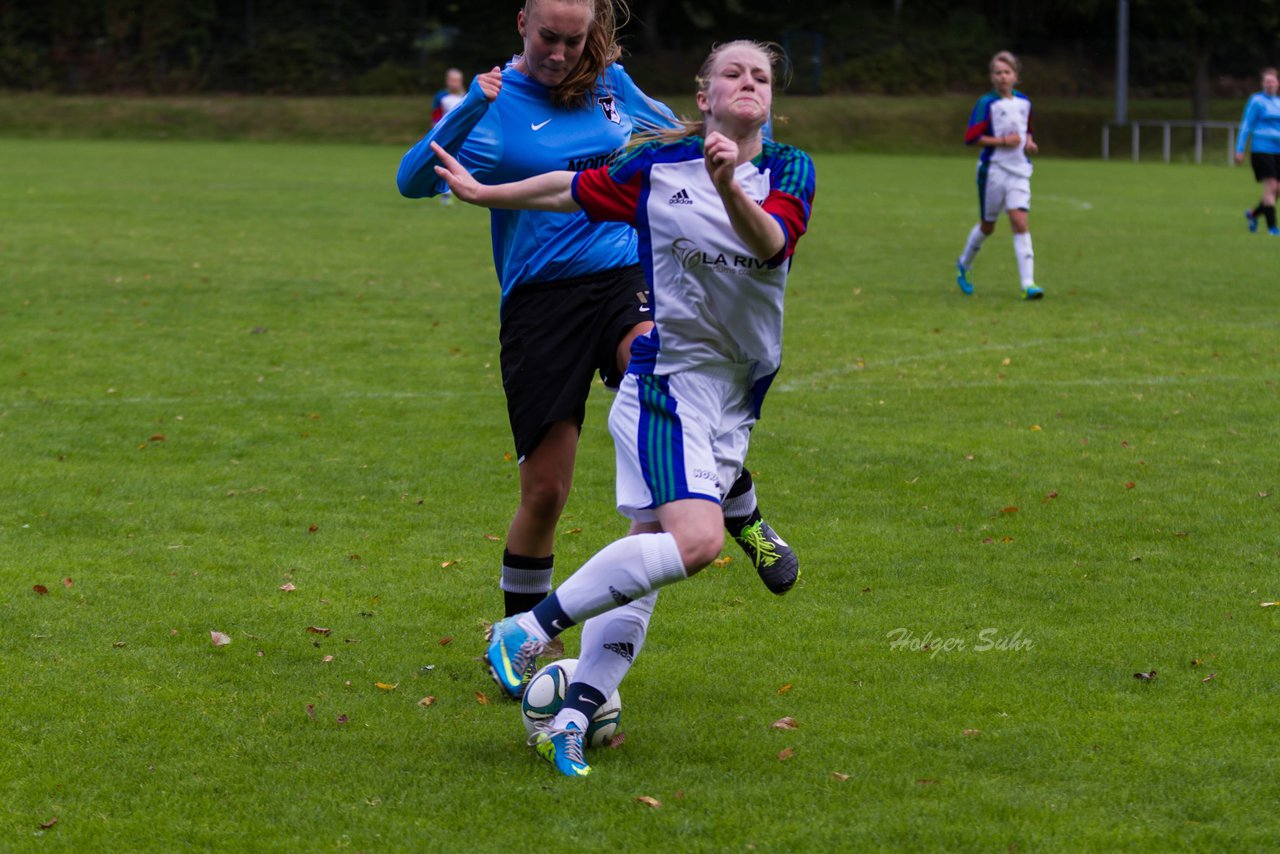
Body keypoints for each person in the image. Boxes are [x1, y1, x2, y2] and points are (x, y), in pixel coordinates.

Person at [396, 0, 799, 745]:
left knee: (666, 379)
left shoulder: (610, 84)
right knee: (547, 490)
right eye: (548, 37)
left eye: (573, 38)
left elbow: (698, 128)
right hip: (540, 300)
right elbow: (412, 179)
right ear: (520, 22)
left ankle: (735, 514)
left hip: (623, 280)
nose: (559, 51)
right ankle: (530, 635)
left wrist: (742, 155)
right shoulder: (491, 104)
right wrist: (463, 115)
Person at [955, 51, 1042, 300]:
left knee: (1019, 222)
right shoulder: (986, 103)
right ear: (992, 78)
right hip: (992, 171)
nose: (1002, 77)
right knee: (988, 226)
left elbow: (1027, 131)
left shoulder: (1025, 102)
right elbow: (971, 138)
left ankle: (1028, 283)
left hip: (1019, 172)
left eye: (1007, 72)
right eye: (997, 73)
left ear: (1016, 76)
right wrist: (1003, 141)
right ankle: (964, 264)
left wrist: (1029, 143)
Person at [1236, 67, 1280, 235]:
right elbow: (1246, 125)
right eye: (1267, 81)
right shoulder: (1256, 101)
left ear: (1278, 83)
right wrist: (1239, 149)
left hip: (1278, 151)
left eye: (1273, 81)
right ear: (1262, 83)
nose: (1270, 84)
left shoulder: (1279, 102)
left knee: (1277, 190)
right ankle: (1273, 228)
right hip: (1262, 149)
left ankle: (1253, 215)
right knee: (1270, 186)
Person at [430, 68, 467, 205]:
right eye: (452, 80)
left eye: (457, 80)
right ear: (447, 81)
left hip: (462, 134)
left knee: (462, 162)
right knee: (446, 163)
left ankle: (467, 190)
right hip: (445, 135)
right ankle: (446, 193)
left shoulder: (465, 96)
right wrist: (435, 132)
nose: (455, 83)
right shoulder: (441, 97)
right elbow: (436, 116)